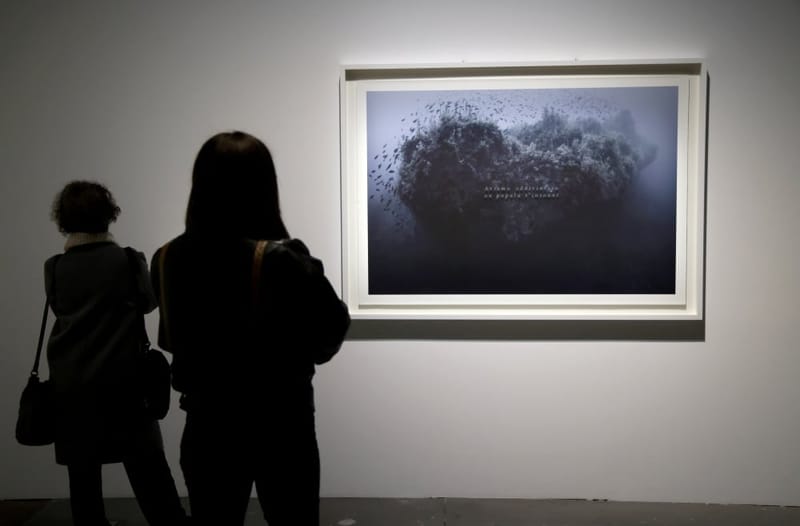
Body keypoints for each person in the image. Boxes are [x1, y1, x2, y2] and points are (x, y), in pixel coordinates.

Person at [151, 131, 350, 526]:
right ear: (265, 186)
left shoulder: (167, 257)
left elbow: (169, 339)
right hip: (280, 422)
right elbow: (330, 331)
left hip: (206, 423)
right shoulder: (281, 259)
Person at [45, 181, 189, 526]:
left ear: (63, 219)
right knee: (150, 473)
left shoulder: (55, 267)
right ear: (109, 215)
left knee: (83, 482)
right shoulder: (128, 259)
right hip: (124, 384)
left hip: (71, 387)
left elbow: (61, 309)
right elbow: (149, 304)